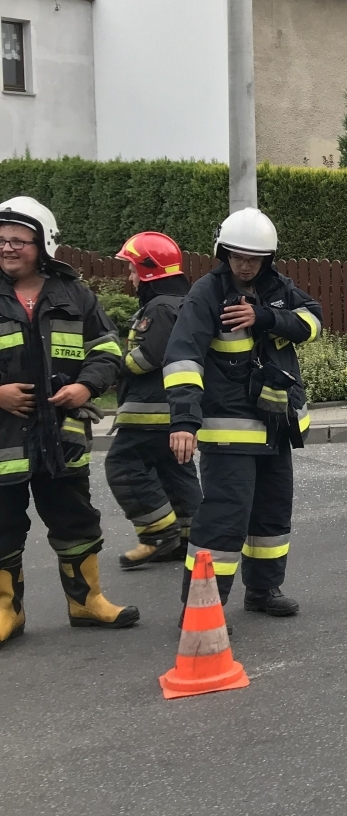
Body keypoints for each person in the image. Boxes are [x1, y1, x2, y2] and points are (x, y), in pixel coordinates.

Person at [165, 208, 321, 617]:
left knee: (271, 516)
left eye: (254, 258)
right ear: (223, 253)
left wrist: (266, 316)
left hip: (276, 426)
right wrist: (183, 421)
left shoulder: (278, 288)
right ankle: (201, 608)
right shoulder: (206, 294)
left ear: (267, 259)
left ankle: (263, 591)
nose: (246, 265)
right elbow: (183, 357)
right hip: (229, 432)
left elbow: (313, 320)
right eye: (238, 256)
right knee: (222, 522)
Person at [0, 196, 136, 645]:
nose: (7, 247)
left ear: (42, 245)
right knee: (2, 527)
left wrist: (87, 387)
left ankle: (86, 602)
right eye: (1, 239)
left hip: (62, 435)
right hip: (4, 442)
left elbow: (108, 347)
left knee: (76, 521)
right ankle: (7, 613)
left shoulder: (73, 294)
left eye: (19, 240)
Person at [105, 231, 202, 569]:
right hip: (172, 410)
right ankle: (191, 536)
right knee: (174, 471)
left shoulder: (160, 308)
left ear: (148, 272)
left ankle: (157, 533)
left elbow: (149, 356)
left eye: (132, 270)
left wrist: (114, 368)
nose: (130, 278)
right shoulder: (181, 302)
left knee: (123, 466)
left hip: (150, 410)